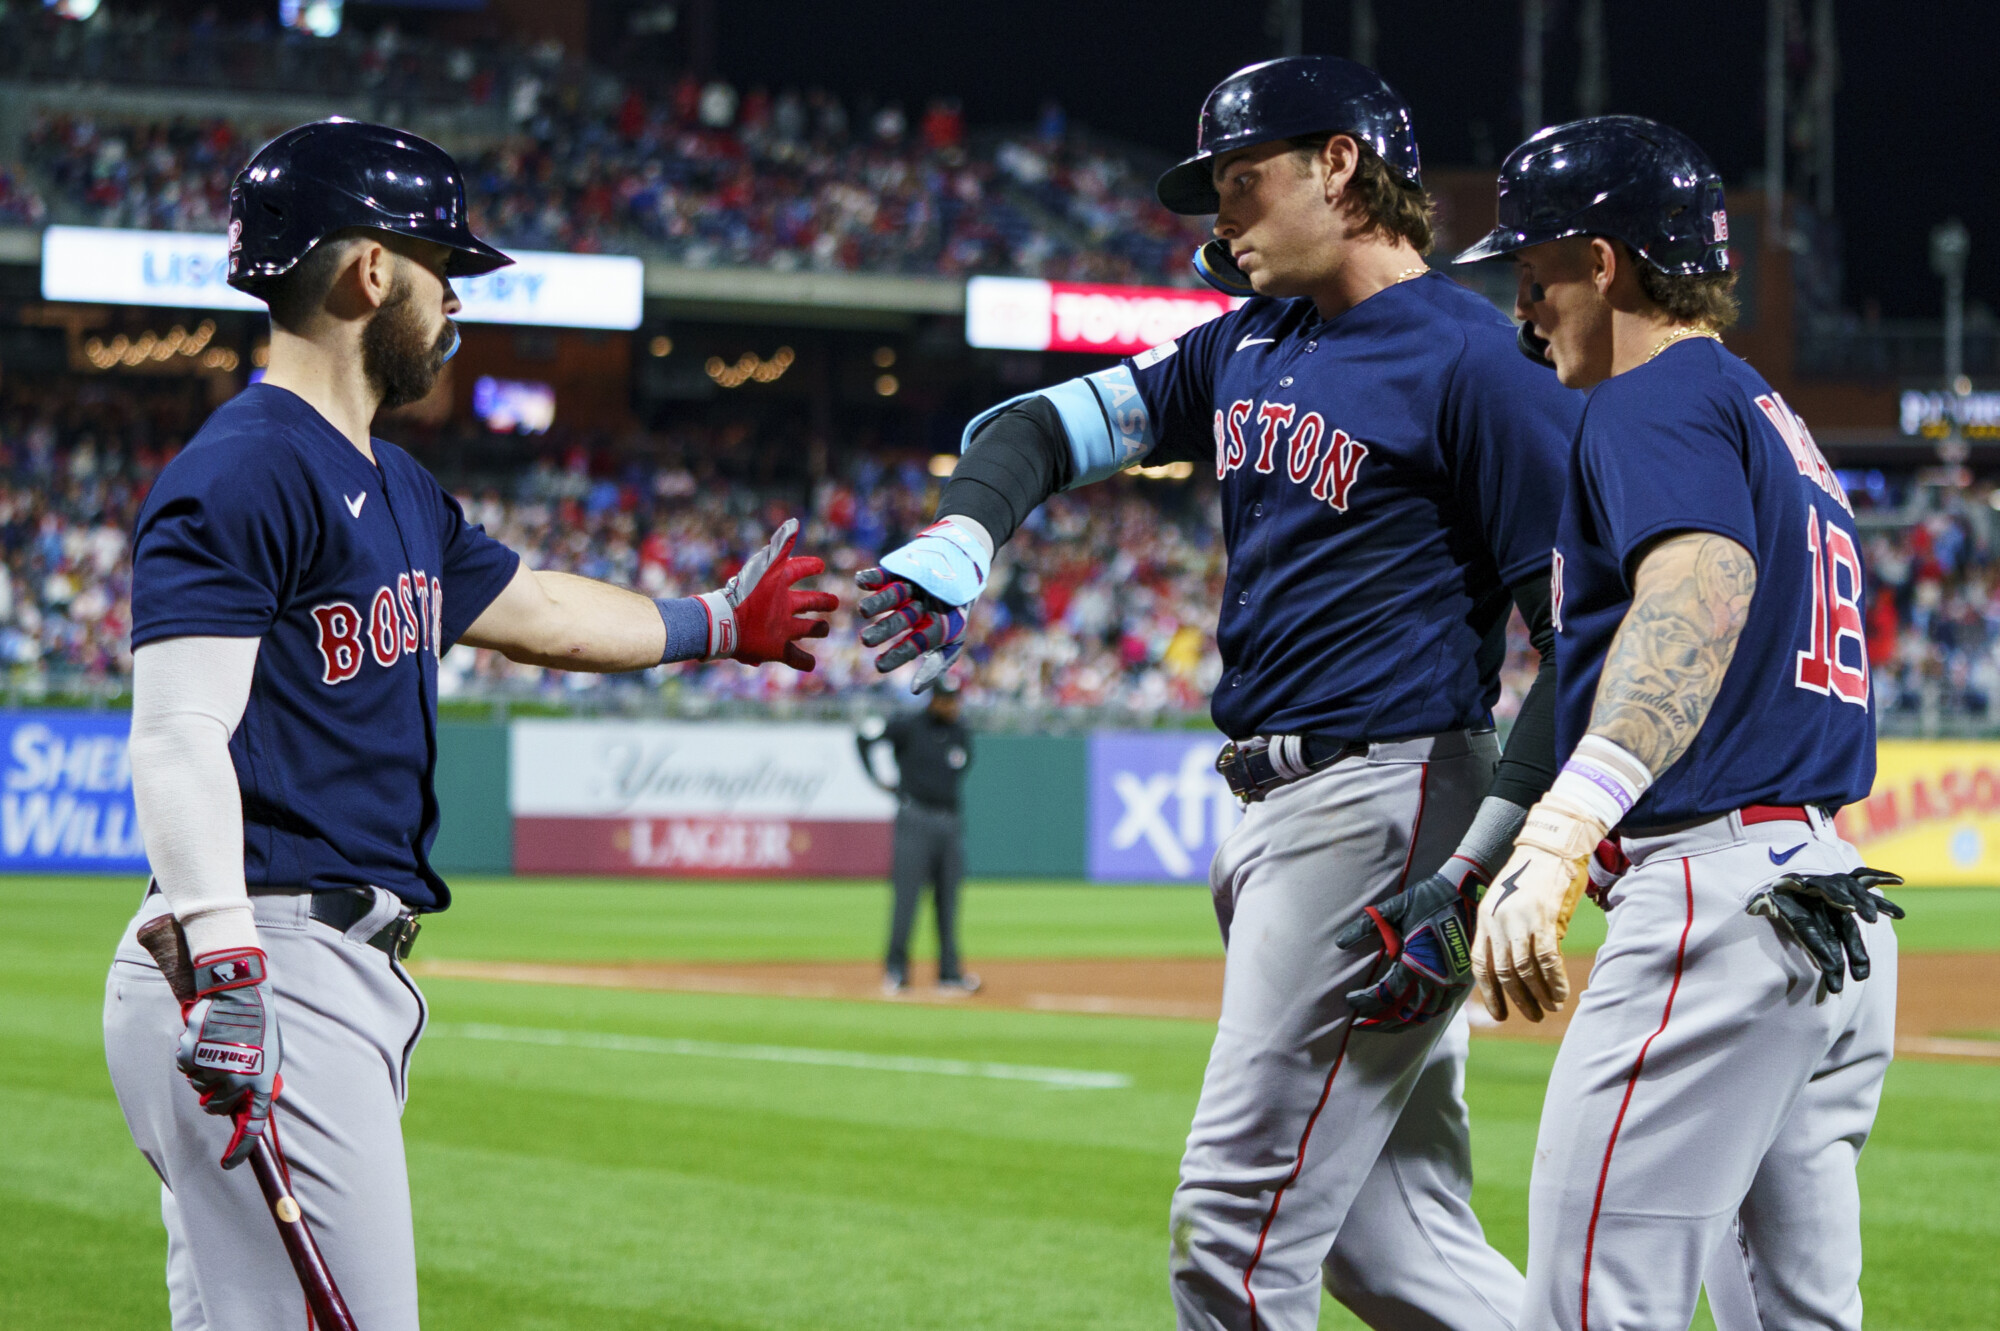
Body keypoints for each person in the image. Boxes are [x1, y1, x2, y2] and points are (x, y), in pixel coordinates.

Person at [855, 55, 1583, 1331]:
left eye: (1243, 183)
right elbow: (1029, 425)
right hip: (1280, 803)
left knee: (1227, 1232)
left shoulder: (1478, 360)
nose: (1218, 220)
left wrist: (1476, 865)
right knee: (1393, 1243)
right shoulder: (1247, 342)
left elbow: (1580, 637)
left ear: (1340, 167)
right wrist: (966, 534)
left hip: (1387, 795)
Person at [101, 120, 836, 1331]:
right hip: (263, 952)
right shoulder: (242, 467)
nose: (455, 304)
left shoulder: (391, 480)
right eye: (443, 270)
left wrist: (711, 620)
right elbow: (177, 730)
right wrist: (230, 963)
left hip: (311, 959)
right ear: (372, 273)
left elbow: (535, 604)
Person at [1454, 114, 1903, 1331]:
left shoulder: (1649, 396)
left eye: (1532, 269)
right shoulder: (1765, 414)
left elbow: (1700, 589)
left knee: (1590, 1304)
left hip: (1713, 898)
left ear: (1603, 261)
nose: (1522, 304)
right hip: (1821, 900)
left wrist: (1561, 830)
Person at [856, 673, 978, 995]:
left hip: (949, 820)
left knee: (948, 900)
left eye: (955, 699)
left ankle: (949, 973)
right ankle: (896, 971)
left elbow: (962, 768)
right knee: (907, 897)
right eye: (947, 699)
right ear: (934, 699)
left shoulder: (960, 732)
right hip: (915, 816)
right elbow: (865, 738)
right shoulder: (909, 726)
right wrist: (878, 780)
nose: (952, 705)